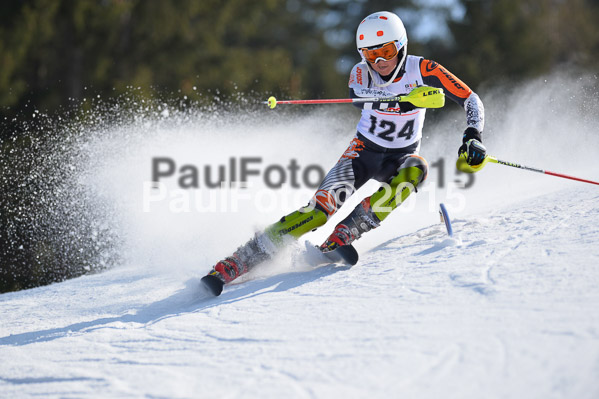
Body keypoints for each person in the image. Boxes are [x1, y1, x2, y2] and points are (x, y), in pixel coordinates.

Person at [201, 11, 486, 296]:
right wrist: (400, 101)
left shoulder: (424, 69)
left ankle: (345, 234)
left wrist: (473, 135)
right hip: (362, 154)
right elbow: (359, 95)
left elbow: (469, 98)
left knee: (417, 170)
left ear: (401, 46)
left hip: (400, 157)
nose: (380, 62)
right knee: (318, 212)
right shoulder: (360, 72)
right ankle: (239, 260)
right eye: (370, 54)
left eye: (386, 51)